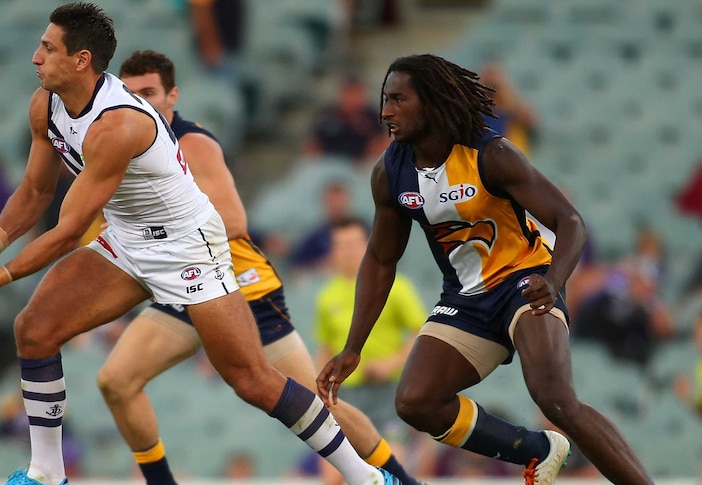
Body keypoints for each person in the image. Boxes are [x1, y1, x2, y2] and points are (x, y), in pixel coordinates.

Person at [0, 5, 401, 485]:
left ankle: (368, 478)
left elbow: (69, 230)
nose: (35, 57)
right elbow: (34, 191)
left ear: (81, 60)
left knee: (252, 380)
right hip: (128, 241)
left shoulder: (118, 125)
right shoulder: (44, 104)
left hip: (188, 248)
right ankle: (47, 473)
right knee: (34, 328)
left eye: (47, 49)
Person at [316, 54, 654, 485]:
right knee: (416, 401)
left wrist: (553, 282)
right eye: (385, 100)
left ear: (432, 102)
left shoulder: (492, 154)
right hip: (465, 298)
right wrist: (353, 347)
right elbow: (381, 260)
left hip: (525, 281)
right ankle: (539, 450)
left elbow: (570, 222)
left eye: (398, 100)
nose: (386, 112)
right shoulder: (390, 173)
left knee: (555, 400)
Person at [97, 49, 421, 485]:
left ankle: (399, 479)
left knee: (320, 402)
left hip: (239, 287)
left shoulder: (192, 144)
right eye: (130, 94)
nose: (139, 102)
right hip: (181, 287)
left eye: (149, 93)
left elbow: (232, 221)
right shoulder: (122, 150)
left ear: (172, 96)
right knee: (115, 381)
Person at [315, 217, 426, 433]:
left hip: (387, 390)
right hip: (344, 393)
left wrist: (392, 362)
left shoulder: (395, 286)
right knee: (335, 461)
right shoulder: (326, 296)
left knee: (392, 455)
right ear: (333, 251)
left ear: (367, 244)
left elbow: (422, 332)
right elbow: (325, 346)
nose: (348, 251)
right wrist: (318, 386)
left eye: (353, 244)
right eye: (341, 245)